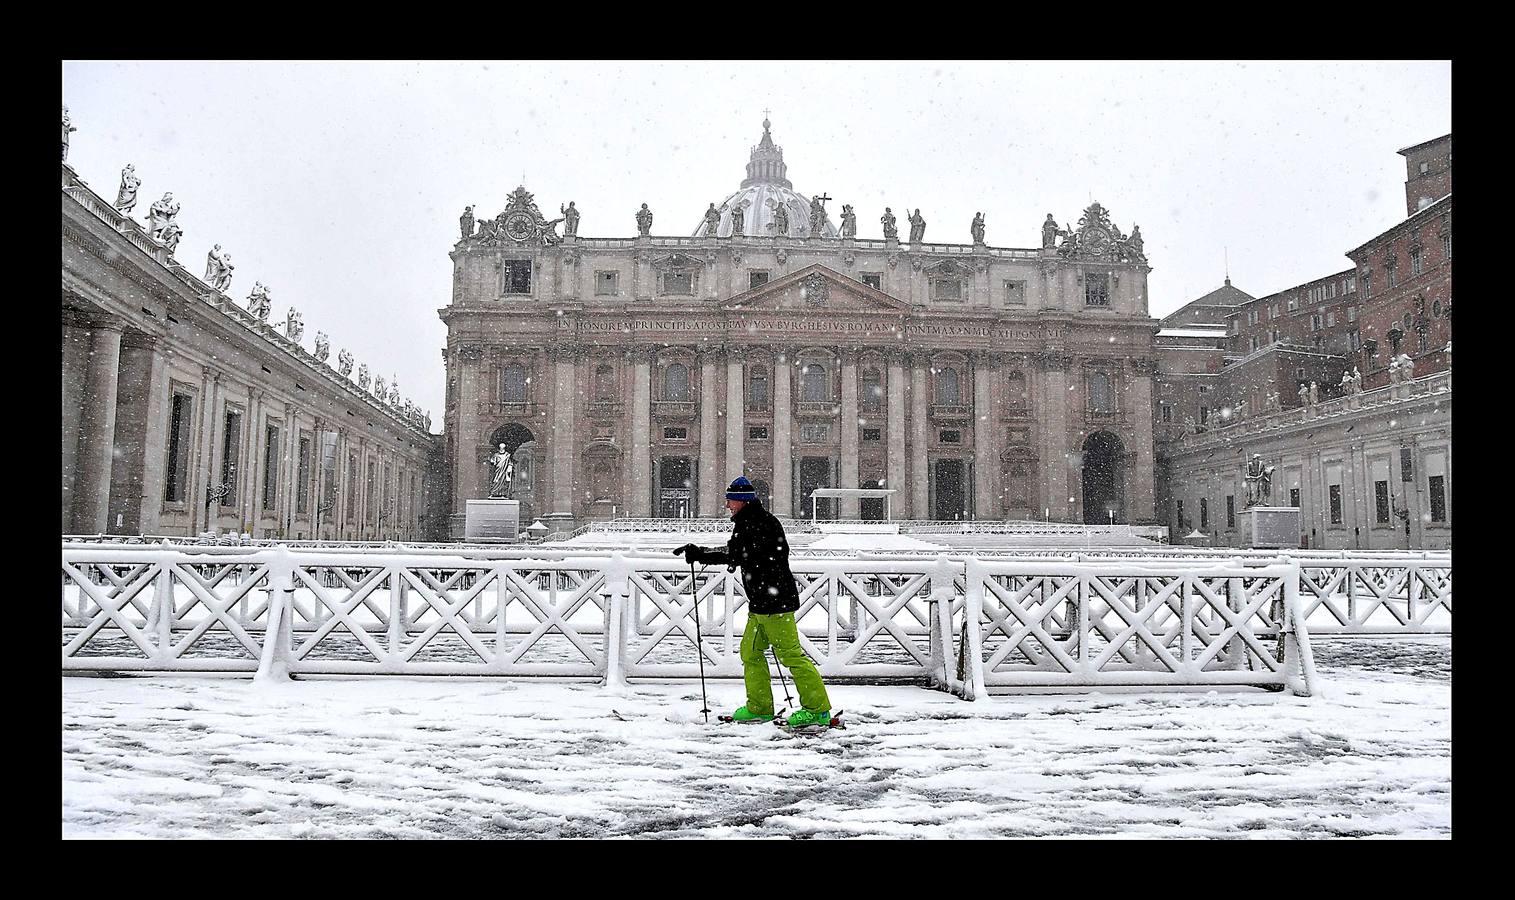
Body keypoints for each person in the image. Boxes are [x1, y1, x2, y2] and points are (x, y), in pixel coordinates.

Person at [674, 476, 832, 728]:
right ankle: (760, 707)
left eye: (730, 500)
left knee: (791, 656)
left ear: (742, 501)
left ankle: (818, 710)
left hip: (774, 602)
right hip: (761, 602)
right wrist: (702, 552)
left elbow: (738, 554)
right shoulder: (749, 521)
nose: (727, 505)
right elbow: (740, 554)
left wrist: (701, 554)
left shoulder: (758, 523)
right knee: (750, 652)